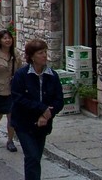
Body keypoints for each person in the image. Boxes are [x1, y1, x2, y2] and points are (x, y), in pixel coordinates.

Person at [11, 39, 64, 180]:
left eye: (45, 52)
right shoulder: (21, 75)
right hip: (24, 123)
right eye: (40, 53)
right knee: (32, 157)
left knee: (36, 158)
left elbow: (59, 100)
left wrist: (47, 115)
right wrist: (41, 108)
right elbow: (18, 98)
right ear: (32, 56)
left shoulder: (52, 76)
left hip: (43, 125)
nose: (44, 55)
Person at [0, 29, 22, 152]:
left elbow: (20, 70)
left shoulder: (15, 54)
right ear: (0, 41)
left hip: (13, 89)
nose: (7, 40)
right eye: (5, 38)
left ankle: (10, 140)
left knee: (11, 115)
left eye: (9, 38)